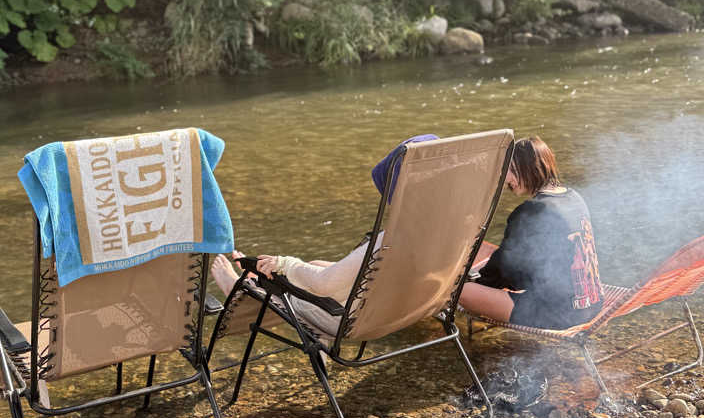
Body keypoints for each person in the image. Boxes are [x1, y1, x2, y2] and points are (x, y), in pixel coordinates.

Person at [211, 135, 438, 333]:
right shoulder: (449, 235)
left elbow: (324, 285)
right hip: (406, 311)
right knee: (315, 265)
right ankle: (259, 280)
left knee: (289, 283)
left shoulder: (392, 240)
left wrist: (284, 264)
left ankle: (245, 289)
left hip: (350, 322)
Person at [459, 136, 604, 330]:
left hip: (559, 314)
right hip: (591, 303)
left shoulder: (532, 210)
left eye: (510, 169)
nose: (505, 178)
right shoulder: (574, 197)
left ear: (528, 167)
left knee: (460, 292)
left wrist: (472, 280)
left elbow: (505, 270)